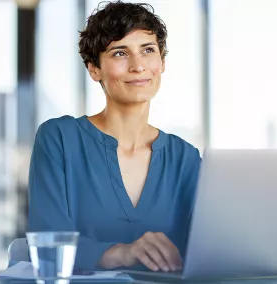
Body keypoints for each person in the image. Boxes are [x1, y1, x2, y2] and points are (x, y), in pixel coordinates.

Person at [27, 0, 201, 273]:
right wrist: (123, 253)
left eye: (148, 50)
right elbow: (48, 242)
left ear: (162, 62)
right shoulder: (59, 139)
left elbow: (207, 250)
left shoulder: (186, 158)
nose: (138, 66)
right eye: (120, 53)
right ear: (94, 69)